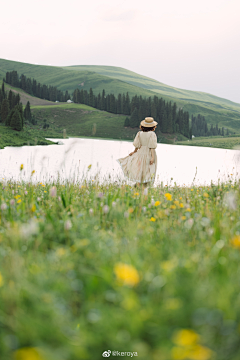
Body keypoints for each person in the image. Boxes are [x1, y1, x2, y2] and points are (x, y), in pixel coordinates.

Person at [117, 117, 158, 186]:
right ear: (153, 126)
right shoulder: (152, 134)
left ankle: (139, 184)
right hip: (148, 153)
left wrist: (134, 152)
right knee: (148, 170)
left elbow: (137, 145)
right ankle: (145, 186)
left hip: (140, 152)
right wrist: (153, 157)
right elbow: (152, 147)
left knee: (140, 168)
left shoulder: (140, 133)